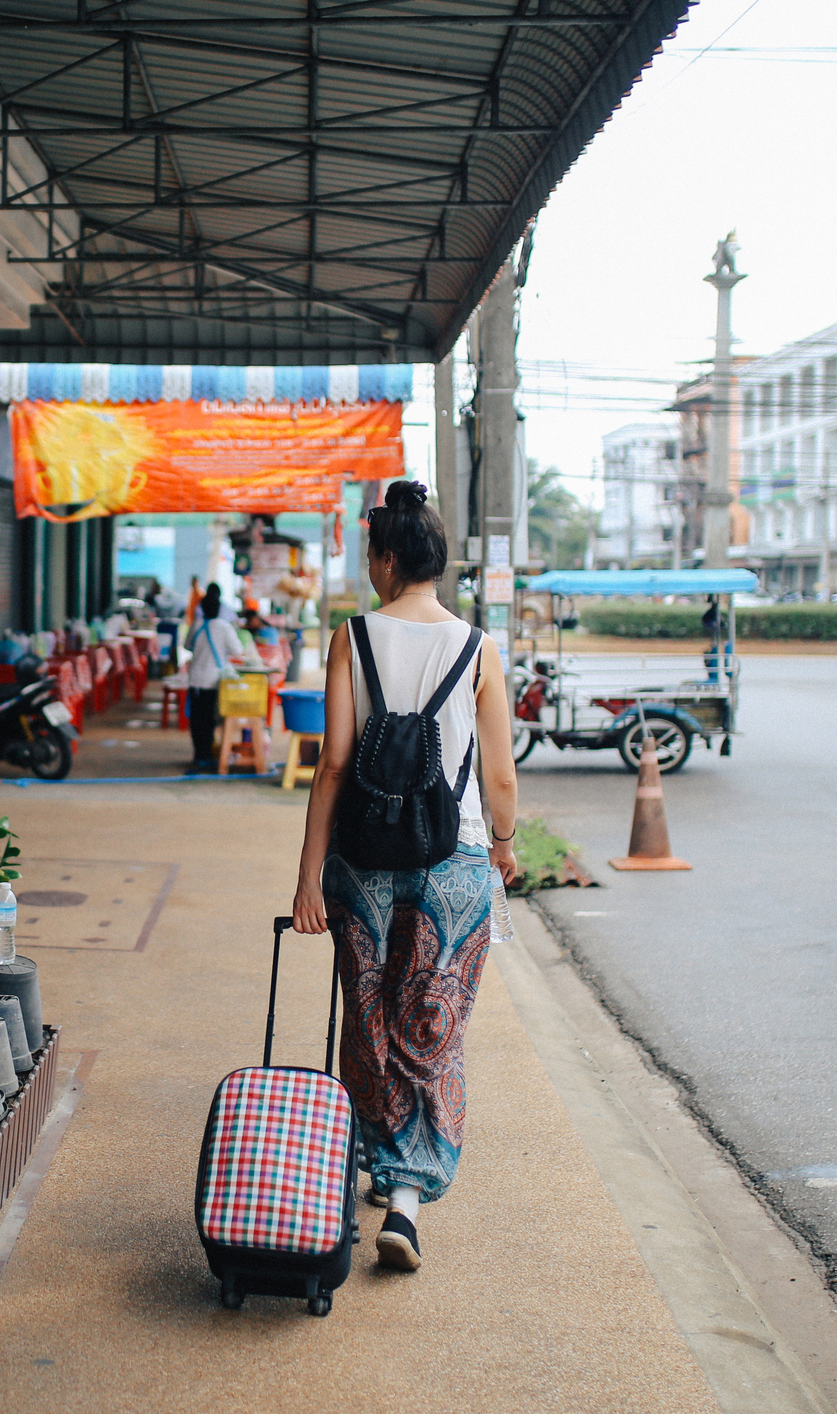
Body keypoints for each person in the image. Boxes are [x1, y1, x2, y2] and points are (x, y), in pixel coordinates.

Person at [290, 479, 522, 1275]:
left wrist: (308, 877)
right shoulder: (479, 647)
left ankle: (379, 1159)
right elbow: (500, 778)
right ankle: (406, 1200)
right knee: (431, 1025)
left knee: (369, 1019)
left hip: (361, 861)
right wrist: (502, 843)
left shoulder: (351, 638)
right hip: (452, 859)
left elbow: (331, 767)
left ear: (387, 559)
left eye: (370, 556)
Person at [183, 583, 248, 771]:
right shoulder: (224, 627)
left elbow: (188, 646)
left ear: (201, 609)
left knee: (196, 719)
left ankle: (199, 754)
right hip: (214, 681)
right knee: (210, 719)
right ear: (219, 608)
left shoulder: (196, 625)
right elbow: (238, 650)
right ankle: (208, 754)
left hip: (195, 679)